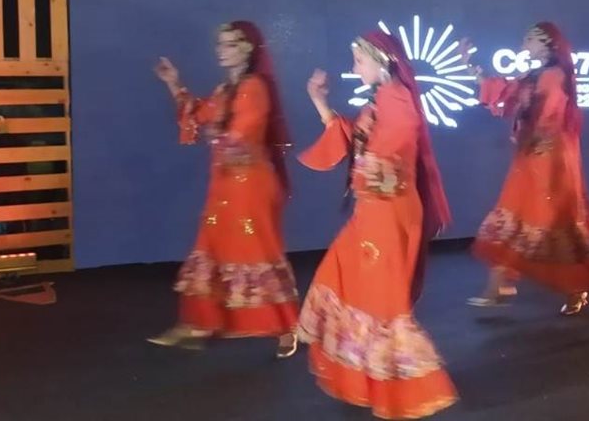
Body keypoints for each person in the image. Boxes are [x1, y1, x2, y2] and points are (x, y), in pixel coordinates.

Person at [296, 30, 457, 419]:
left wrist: (370, 171)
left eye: (359, 61)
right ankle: (374, 380)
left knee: (381, 301)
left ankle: (411, 388)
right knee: (346, 281)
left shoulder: (398, 99)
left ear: (382, 61)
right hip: (374, 210)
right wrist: (320, 102)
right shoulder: (381, 98)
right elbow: (357, 140)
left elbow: (391, 156)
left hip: (389, 212)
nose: (354, 69)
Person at [148, 21, 298, 356]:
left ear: (247, 49)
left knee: (257, 252)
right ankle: (197, 322)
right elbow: (199, 113)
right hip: (226, 183)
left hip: (251, 186)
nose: (221, 50)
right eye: (220, 43)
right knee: (210, 246)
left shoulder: (254, 88)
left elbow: (242, 133)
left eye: (229, 44)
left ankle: (286, 326)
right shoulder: (225, 90)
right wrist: (173, 83)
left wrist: (221, 137)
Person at [460, 22, 589, 315]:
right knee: (513, 216)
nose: (523, 43)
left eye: (529, 38)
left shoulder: (555, 75)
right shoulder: (535, 75)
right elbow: (505, 90)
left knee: (552, 223)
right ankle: (498, 287)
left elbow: (550, 115)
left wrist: (534, 134)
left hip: (549, 160)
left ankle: (576, 287)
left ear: (547, 43)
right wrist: (469, 65)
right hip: (531, 157)